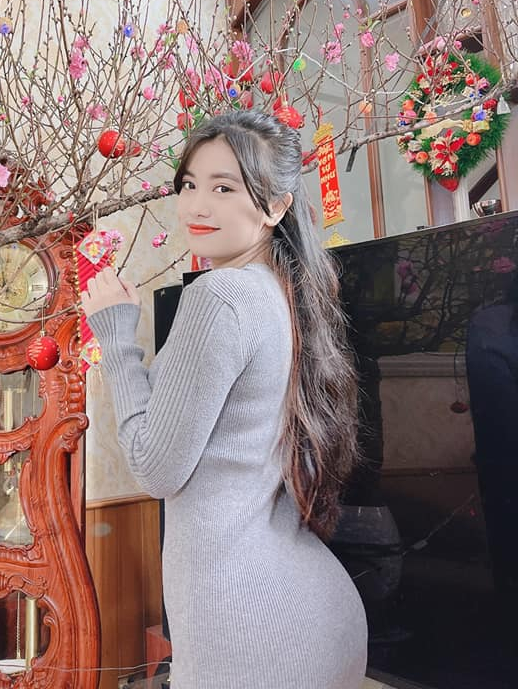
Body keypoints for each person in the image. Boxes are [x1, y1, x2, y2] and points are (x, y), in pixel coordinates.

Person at [81, 110, 367, 689]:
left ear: (276, 207)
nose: (196, 206)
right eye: (189, 184)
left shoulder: (220, 296)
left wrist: (115, 336)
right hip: (313, 612)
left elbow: (155, 468)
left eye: (224, 188)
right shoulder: (283, 292)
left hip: (246, 620)